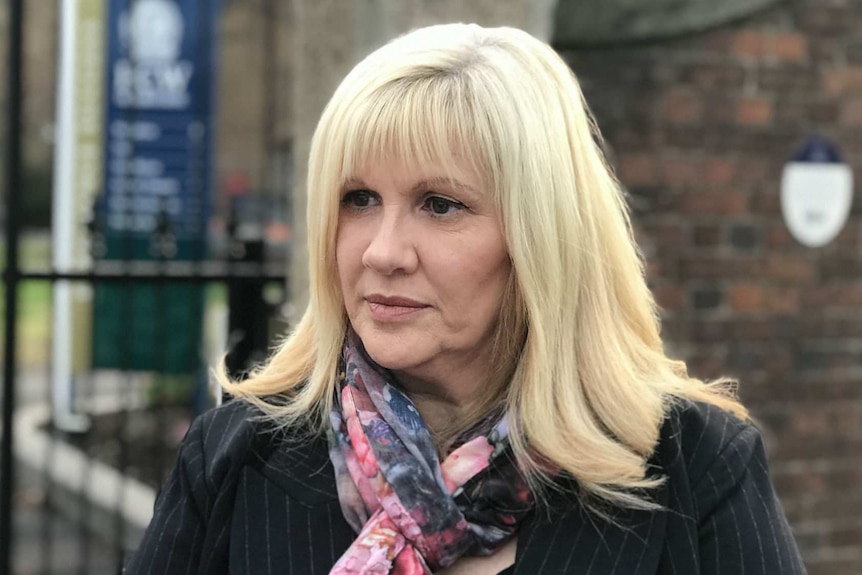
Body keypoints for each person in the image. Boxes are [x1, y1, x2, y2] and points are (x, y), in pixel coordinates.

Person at [126, 23, 807, 575]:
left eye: (441, 204)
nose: (382, 250)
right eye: (359, 199)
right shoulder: (239, 455)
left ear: (541, 237)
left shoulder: (694, 468)